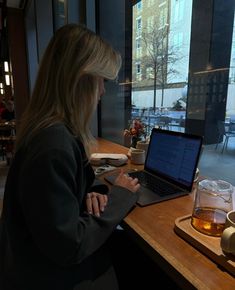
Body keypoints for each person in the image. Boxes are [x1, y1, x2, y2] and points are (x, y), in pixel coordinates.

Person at [0, 24, 140, 290]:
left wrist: (84, 195)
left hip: (29, 261)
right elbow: (69, 247)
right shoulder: (54, 145)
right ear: (81, 80)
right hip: (43, 275)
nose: (102, 92)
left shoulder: (47, 131)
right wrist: (119, 196)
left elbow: (50, 205)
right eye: (101, 81)